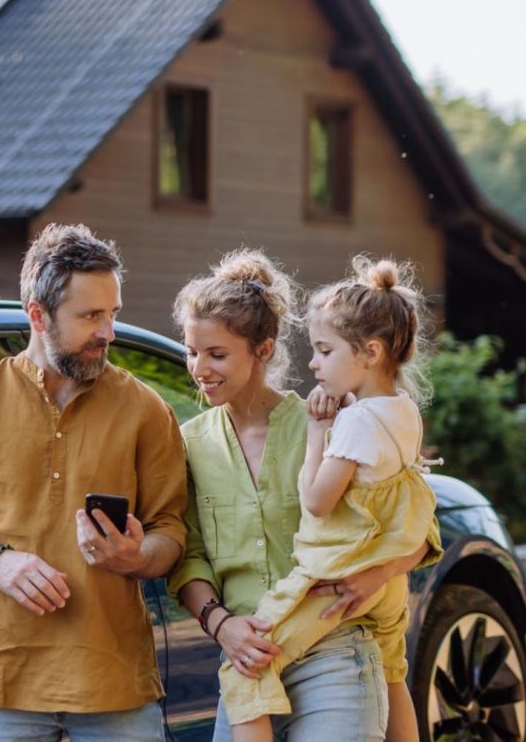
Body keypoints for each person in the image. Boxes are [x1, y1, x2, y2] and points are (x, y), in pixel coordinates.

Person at [0, 223, 187, 742]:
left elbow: (171, 532)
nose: (107, 332)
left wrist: (136, 556)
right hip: (4, 678)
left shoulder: (147, 411)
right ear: (37, 315)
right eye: (90, 316)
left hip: (113, 680)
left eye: (112, 314)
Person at [168, 248, 440, 742]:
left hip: (334, 647)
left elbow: (415, 525)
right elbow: (189, 556)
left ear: (264, 350)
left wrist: (374, 576)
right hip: (250, 660)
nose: (198, 368)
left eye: (217, 354)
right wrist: (221, 624)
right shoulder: (189, 444)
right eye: (191, 351)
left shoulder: (335, 420)